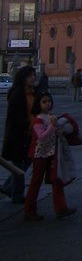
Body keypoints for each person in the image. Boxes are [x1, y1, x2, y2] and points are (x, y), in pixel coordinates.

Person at [23, 90, 77, 221]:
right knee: (36, 181)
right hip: (39, 154)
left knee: (56, 180)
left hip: (52, 153)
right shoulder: (38, 120)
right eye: (44, 102)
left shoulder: (50, 116)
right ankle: (29, 210)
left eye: (49, 101)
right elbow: (41, 137)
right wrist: (52, 126)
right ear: (39, 104)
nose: (47, 104)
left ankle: (61, 208)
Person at [0, 65, 36, 204]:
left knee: (24, 163)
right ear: (23, 78)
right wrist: (28, 124)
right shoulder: (16, 94)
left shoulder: (33, 93)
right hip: (19, 135)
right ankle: (17, 194)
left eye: (33, 75)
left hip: (31, 134)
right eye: (30, 75)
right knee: (20, 163)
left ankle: (8, 188)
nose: (33, 78)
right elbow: (14, 116)